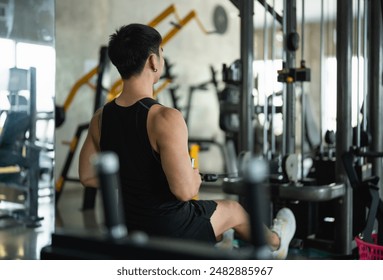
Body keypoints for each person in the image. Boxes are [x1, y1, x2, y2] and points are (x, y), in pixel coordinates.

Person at [78, 23, 296, 259]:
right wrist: (193, 177)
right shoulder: (164, 117)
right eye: (161, 52)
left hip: (129, 227)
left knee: (217, 224)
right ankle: (277, 242)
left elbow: (87, 176)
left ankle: (221, 243)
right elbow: (184, 191)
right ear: (153, 61)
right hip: (169, 231)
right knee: (234, 210)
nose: (162, 57)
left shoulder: (100, 118)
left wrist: (134, 179)